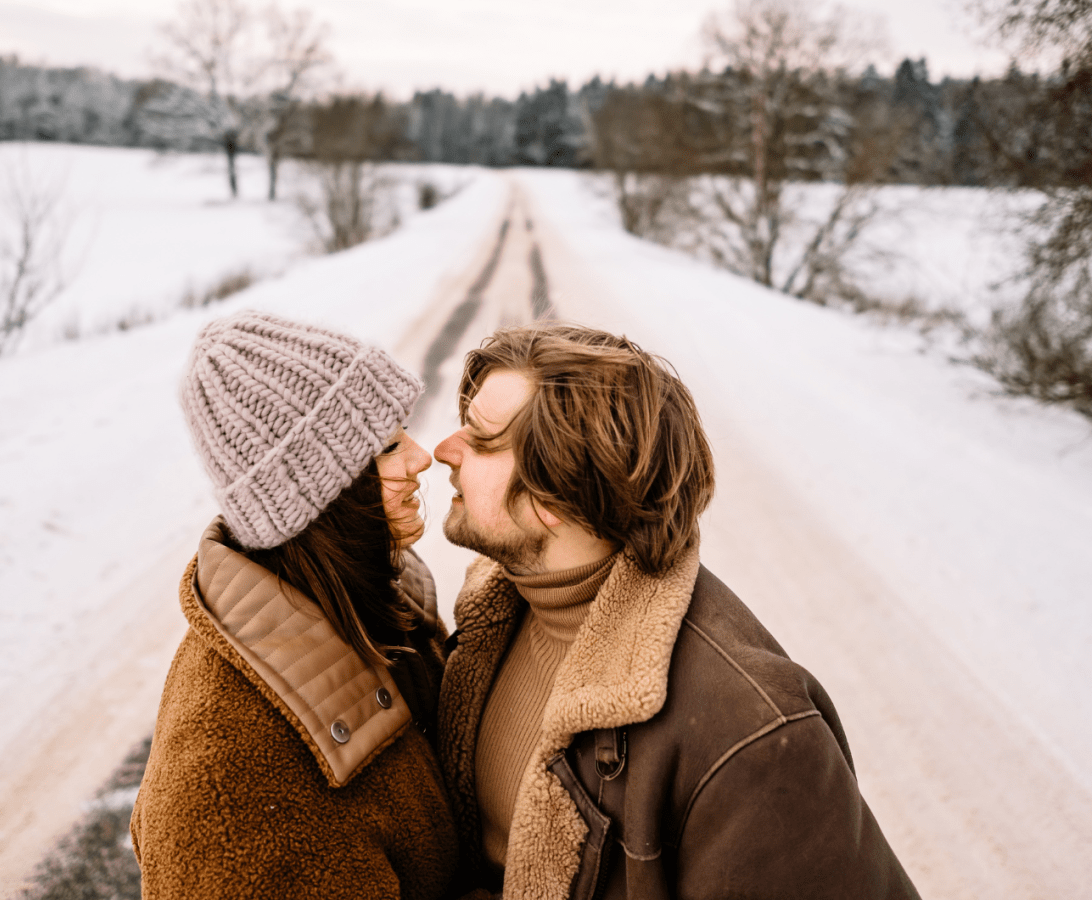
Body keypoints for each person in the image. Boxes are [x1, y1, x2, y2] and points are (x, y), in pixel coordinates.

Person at [432, 323, 920, 900]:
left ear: (558, 494)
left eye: (482, 441)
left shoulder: (751, 733)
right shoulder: (498, 616)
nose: (443, 450)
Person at [130, 311, 457, 899]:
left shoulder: (374, 606)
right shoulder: (224, 795)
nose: (420, 458)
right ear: (320, 497)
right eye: (386, 447)